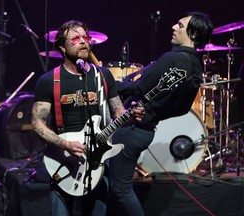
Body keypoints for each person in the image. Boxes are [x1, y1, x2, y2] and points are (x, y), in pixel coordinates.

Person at [31, 20, 144, 216]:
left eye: (86, 38)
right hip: (64, 161)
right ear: (62, 47)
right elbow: (36, 124)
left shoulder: (103, 76)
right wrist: (65, 145)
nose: (83, 42)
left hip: (98, 160)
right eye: (76, 38)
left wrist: (131, 115)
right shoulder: (49, 80)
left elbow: (118, 114)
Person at [106, 11, 214, 216]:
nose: (174, 27)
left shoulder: (172, 58)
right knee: (116, 185)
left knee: (120, 189)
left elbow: (138, 88)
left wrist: (107, 84)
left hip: (130, 129)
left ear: (193, 34)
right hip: (145, 131)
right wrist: (154, 114)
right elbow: (182, 108)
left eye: (180, 26)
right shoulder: (195, 67)